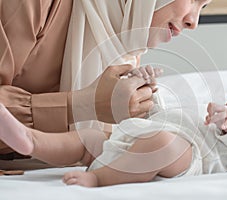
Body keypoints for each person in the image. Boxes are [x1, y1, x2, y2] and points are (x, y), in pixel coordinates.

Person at [0, 66, 227, 187]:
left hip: (185, 156)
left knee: (165, 144)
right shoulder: (210, 116)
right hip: (135, 139)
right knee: (89, 138)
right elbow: (161, 117)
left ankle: (99, 180)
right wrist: (150, 89)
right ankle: (30, 140)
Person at [0, 0, 212, 159]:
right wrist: (82, 105)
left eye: (203, 6)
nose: (193, 23)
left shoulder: (124, 41)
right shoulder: (34, 4)